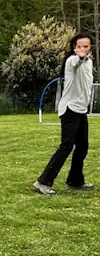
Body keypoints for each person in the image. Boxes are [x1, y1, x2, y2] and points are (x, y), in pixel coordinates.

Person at [33, 33, 95, 196]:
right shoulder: (72, 61)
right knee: (66, 146)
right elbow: (77, 62)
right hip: (69, 109)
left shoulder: (89, 62)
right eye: (79, 46)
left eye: (86, 46)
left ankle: (75, 181)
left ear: (90, 48)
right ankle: (43, 182)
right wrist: (80, 57)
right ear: (74, 47)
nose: (82, 49)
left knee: (82, 146)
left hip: (81, 110)